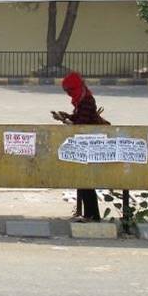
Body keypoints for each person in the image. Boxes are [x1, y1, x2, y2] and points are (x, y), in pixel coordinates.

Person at [51, 71, 109, 221]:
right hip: (85, 144)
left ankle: (92, 216)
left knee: (86, 182)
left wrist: (68, 121)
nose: (68, 94)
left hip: (92, 144)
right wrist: (65, 117)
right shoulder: (80, 99)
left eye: (69, 91)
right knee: (83, 182)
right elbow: (78, 118)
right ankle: (89, 215)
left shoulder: (87, 100)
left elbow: (81, 124)